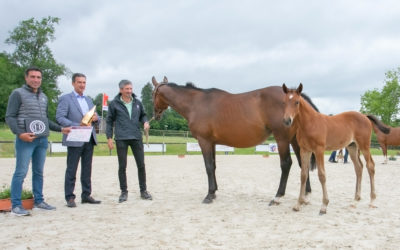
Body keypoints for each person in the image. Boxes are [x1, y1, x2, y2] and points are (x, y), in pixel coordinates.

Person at [5, 66, 71, 216]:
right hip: (25, 140)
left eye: (38, 77)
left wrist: (61, 129)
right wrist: (20, 134)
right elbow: (10, 117)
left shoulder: (44, 97)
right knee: (21, 172)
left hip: (42, 140)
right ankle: (16, 205)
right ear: (26, 78)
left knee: (39, 172)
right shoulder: (18, 94)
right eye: (33, 77)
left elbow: (45, 120)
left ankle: (39, 201)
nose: (36, 80)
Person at [56, 73, 101, 208]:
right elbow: (60, 117)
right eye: (79, 82)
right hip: (75, 136)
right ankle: (70, 197)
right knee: (72, 168)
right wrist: (77, 124)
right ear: (73, 83)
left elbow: (94, 116)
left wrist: (96, 118)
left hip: (89, 138)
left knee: (87, 168)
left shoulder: (88, 100)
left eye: (84, 82)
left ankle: (86, 195)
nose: (82, 85)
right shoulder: (65, 99)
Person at [106, 79, 152, 203]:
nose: (129, 91)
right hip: (121, 138)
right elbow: (109, 121)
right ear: (121, 90)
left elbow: (143, 115)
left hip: (136, 137)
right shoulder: (114, 104)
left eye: (131, 89)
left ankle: (143, 191)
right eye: (127, 89)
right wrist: (109, 138)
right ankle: (124, 192)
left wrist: (145, 122)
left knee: (141, 165)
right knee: (122, 166)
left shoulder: (137, 102)